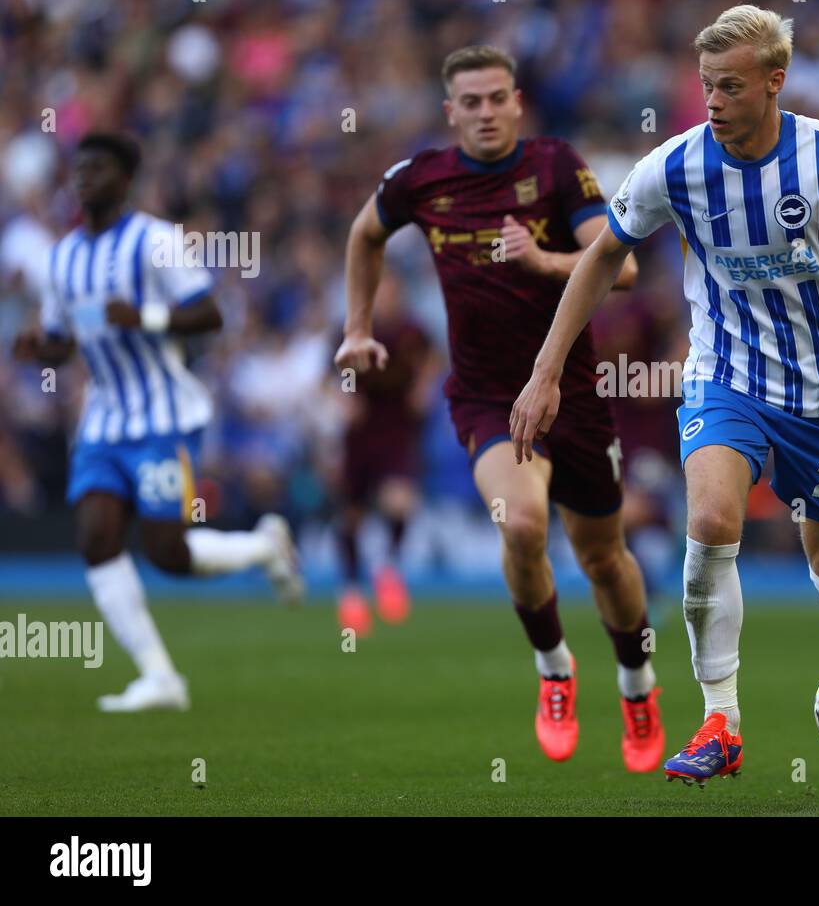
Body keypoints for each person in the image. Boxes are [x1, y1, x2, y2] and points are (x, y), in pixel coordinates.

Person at [511, 6, 819, 802]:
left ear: (775, 82)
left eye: (731, 86)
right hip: (725, 377)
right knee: (709, 523)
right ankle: (720, 723)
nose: (712, 100)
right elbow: (603, 257)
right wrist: (544, 370)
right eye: (706, 85)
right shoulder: (672, 167)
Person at [333, 46, 664, 772]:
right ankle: (554, 671)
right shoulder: (421, 180)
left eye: (495, 98)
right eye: (470, 102)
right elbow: (364, 234)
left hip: (574, 396)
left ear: (517, 101)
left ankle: (638, 686)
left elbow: (626, 267)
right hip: (486, 396)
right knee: (520, 522)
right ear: (451, 111)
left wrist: (542, 260)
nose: (484, 112)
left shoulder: (555, 166)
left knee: (605, 558)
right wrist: (357, 327)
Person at [12, 132, 303, 713]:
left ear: (126, 179)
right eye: (79, 168)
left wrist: (142, 314)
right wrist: (38, 349)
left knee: (168, 553)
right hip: (102, 422)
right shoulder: (62, 257)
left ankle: (264, 548)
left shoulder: (156, 241)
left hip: (163, 418)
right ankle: (160, 676)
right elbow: (62, 342)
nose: (84, 178)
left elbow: (209, 313)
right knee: (96, 537)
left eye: (98, 168)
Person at [335, 273, 436, 636]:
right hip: (360, 431)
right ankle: (350, 593)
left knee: (399, 502)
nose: (387, 299)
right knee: (351, 516)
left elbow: (432, 361)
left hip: (397, 427)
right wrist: (345, 399)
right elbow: (334, 374)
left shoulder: (414, 332)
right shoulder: (353, 331)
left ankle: (387, 567)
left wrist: (424, 388)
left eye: (393, 291)